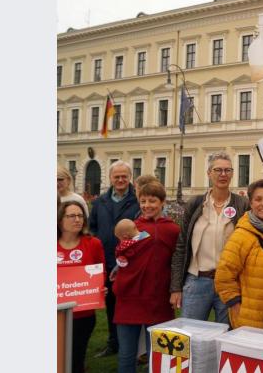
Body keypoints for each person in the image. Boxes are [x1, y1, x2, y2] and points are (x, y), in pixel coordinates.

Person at [170, 152, 250, 324]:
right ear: (209, 173)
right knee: (191, 335)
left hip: (229, 283)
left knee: (226, 336)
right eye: (218, 170)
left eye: (228, 170)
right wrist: (176, 287)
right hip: (197, 281)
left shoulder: (242, 205)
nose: (223, 174)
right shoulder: (195, 204)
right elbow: (181, 246)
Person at [112, 181, 179, 373]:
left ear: (163, 202)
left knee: (157, 353)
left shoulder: (172, 230)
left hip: (157, 298)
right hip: (129, 297)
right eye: (143, 201)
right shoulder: (131, 228)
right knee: (126, 353)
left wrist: (175, 289)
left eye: (152, 201)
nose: (147, 205)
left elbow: (177, 261)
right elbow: (119, 255)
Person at [215, 179, 263, 331]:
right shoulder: (242, 235)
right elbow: (223, 277)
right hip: (254, 316)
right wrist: (236, 306)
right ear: (251, 204)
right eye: (258, 199)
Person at [88, 160, 139, 357]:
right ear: (110, 178)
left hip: (131, 264)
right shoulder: (100, 201)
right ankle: (113, 342)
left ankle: (135, 347)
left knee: (131, 306)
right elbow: (92, 227)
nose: (120, 180)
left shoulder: (137, 200)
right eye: (116, 176)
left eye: (124, 176)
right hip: (107, 261)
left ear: (130, 178)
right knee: (110, 306)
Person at [57, 201, 104, 373]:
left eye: (80, 215)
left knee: (76, 359)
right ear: (60, 219)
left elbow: (100, 273)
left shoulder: (93, 244)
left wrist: (100, 288)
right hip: (55, 315)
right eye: (71, 216)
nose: (77, 219)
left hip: (83, 315)